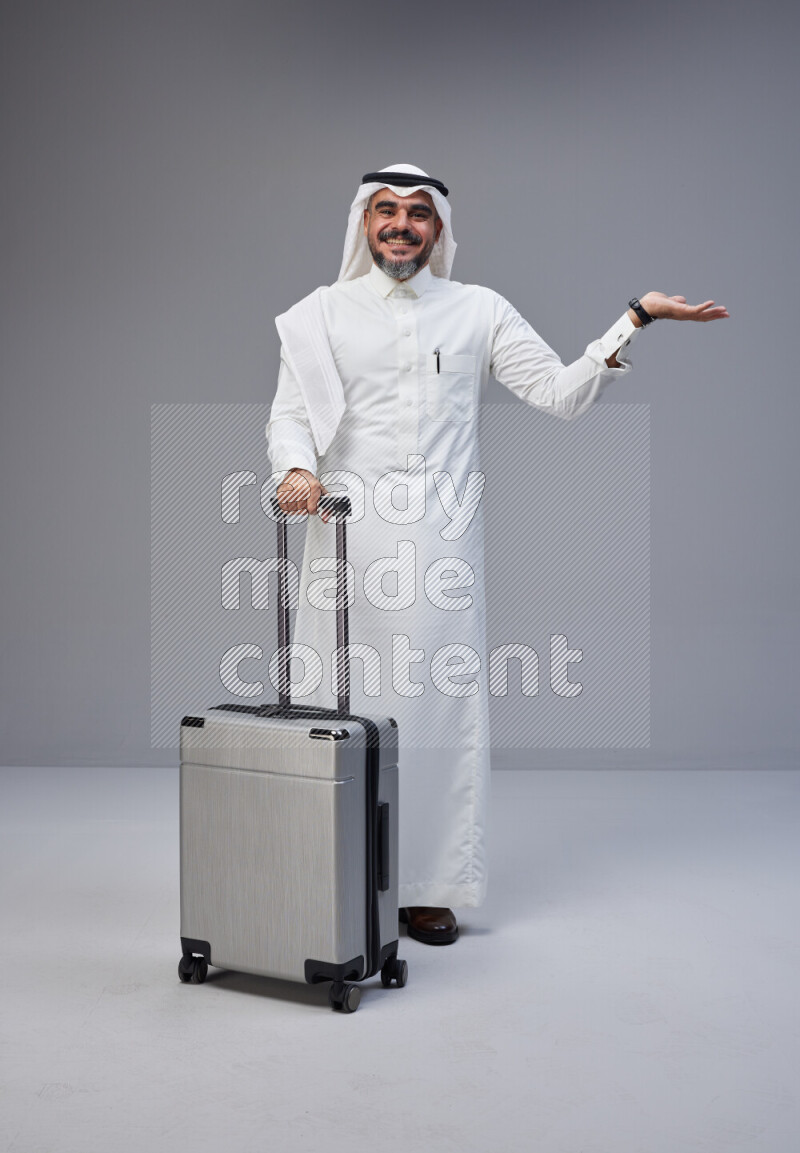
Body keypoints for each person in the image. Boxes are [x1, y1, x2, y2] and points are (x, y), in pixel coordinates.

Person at [266, 163, 728, 945]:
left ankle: (425, 888)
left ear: (440, 229)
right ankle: (331, 872)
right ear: (363, 223)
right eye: (386, 211)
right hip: (346, 540)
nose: (401, 225)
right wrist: (295, 468)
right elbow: (288, 418)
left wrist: (634, 320)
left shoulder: (478, 311)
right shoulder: (320, 316)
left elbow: (560, 393)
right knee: (336, 708)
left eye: (418, 213)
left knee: (438, 713)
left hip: (443, 543)